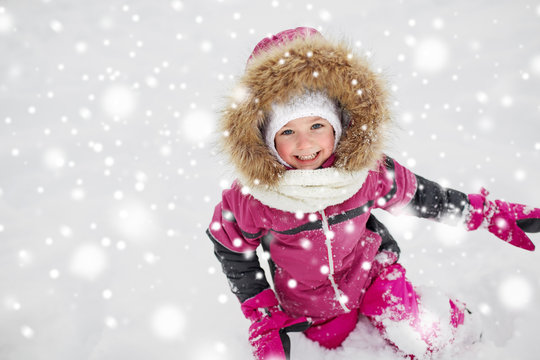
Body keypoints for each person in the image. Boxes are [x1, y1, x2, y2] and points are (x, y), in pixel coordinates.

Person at [206, 27, 540, 359]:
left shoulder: (365, 172)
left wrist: (482, 212)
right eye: (288, 131)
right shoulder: (253, 198)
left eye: (317, 126)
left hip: (372, 272)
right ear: (266, 138)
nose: (305, 144)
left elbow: (425, 198)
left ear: (338, 125)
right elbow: (232, 249)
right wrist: (262, 313)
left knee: (416, 329)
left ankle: (457, 323)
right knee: (330, 341)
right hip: (309, 299)